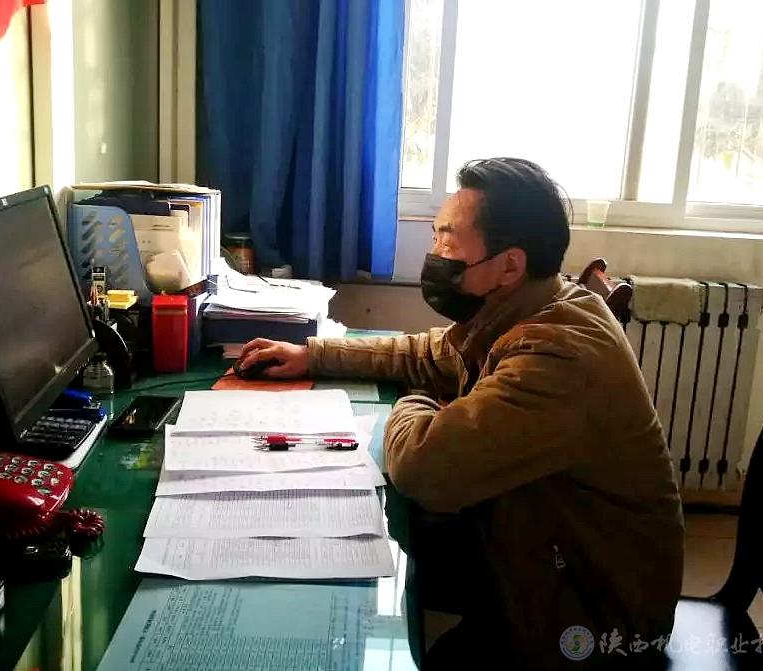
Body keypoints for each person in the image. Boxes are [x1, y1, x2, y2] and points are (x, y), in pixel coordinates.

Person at [238, 157, 685, 669]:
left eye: (447, 243)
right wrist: (313, 355)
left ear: (509, 266)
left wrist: (420, 400)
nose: (434, 255)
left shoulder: (559, 354)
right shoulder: (532, 305)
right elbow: (429, 355)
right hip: (536, 545)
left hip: (592, 617)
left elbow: (423, 466)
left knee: (362, 560)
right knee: (347, 544)